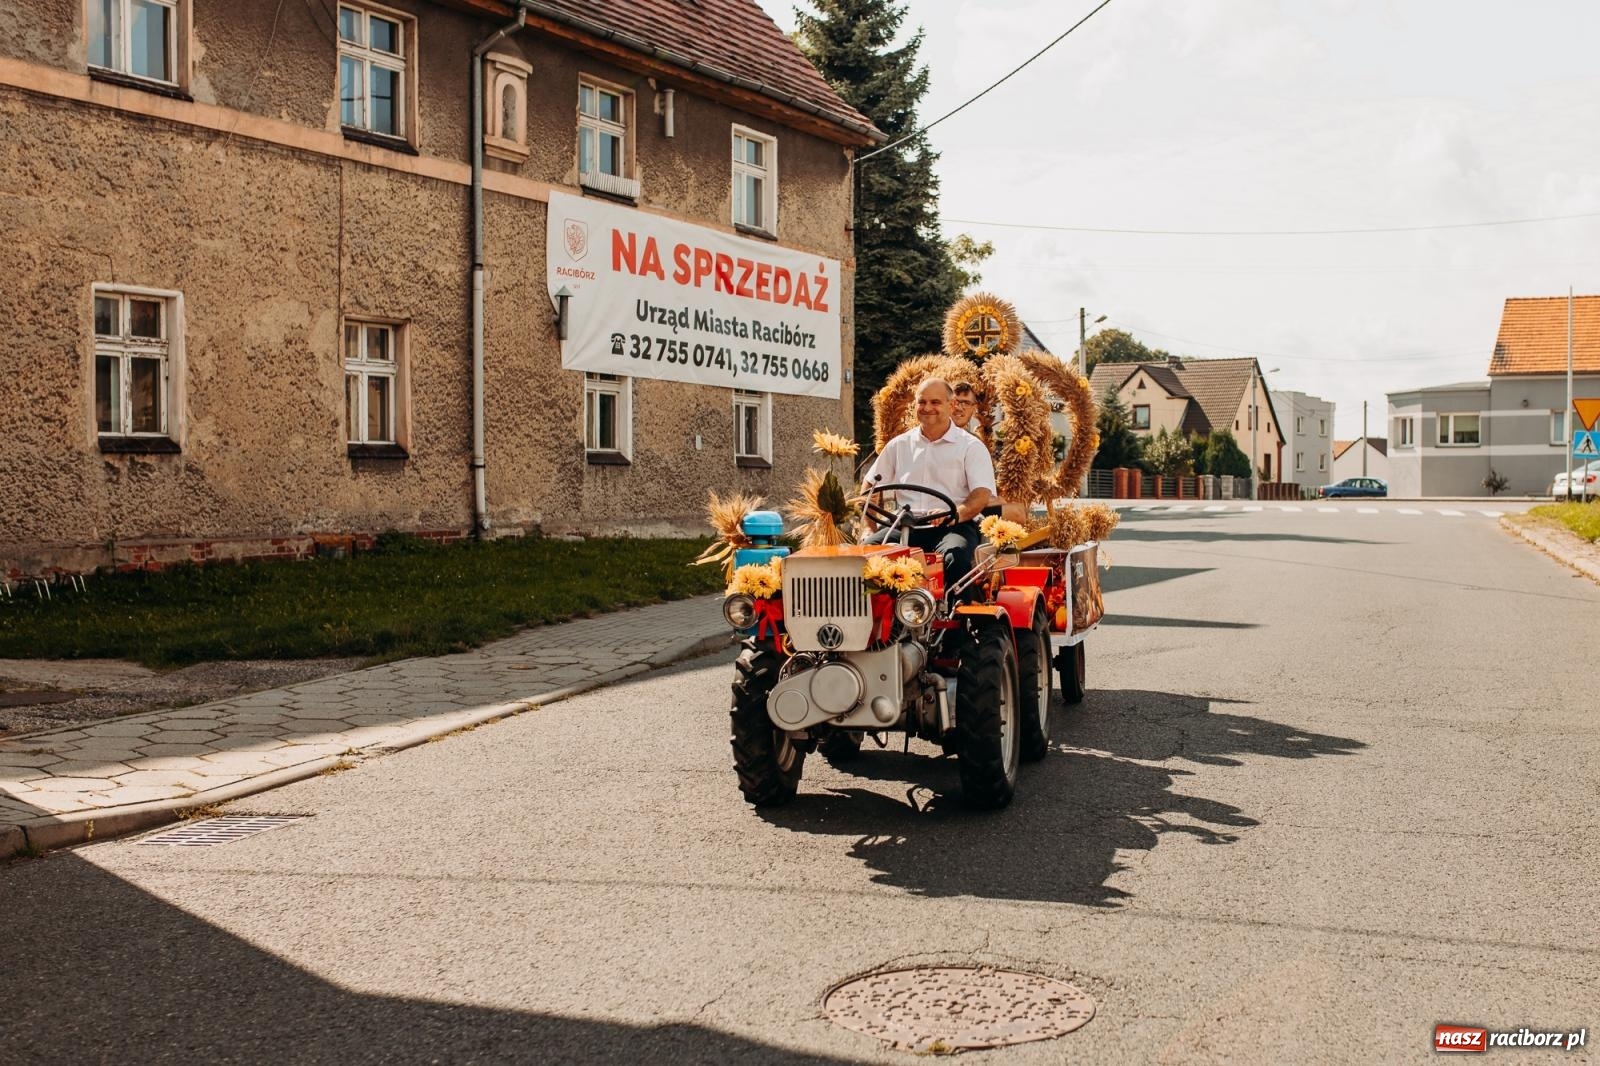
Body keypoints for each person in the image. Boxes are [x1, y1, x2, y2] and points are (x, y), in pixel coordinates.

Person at [862, 377, 996, 597]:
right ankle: (876, 625)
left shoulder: (971, 447)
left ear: (951, 405)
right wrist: (870, 526)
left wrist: (952, 515)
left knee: (956, 557)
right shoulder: (899, 445)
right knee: (865, 557)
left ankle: (956, 624)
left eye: (935, 402)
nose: (927, 408)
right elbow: (870, 488)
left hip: (953, 525)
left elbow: (980, 496)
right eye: (922, 402)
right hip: (904, 524)